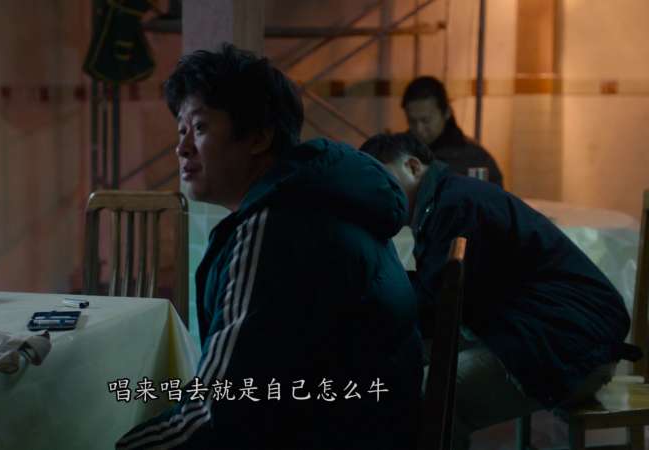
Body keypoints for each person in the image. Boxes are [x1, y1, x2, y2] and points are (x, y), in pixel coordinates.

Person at [115, 45, 423, 449]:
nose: (182, 148)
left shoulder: (277, 227)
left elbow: (217, 416)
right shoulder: (322, 199)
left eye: (200, 127)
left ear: (259, 137)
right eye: (181, 131)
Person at [358, 132, 640, 450]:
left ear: (412, 166)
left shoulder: (456, 204)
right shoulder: (444, 200)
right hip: (552, 332)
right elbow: (437, 298)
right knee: (402, 361)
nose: (376, 193)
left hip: (569, 346)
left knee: (429, 394)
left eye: (382, 179)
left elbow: (436, 306)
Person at [402, 76, 504, 187]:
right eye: (412, 121)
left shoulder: (475, 160)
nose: (419, 128)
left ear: (446, 112)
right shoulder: (399, 156)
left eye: (426, 120)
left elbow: (492, 196)